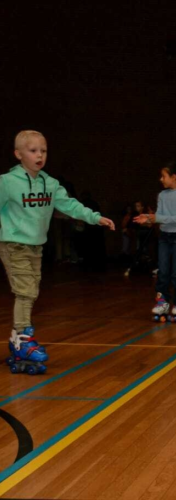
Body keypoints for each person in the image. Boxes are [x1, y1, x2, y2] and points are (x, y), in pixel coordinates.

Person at [0, 130, 115, 374]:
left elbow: (69, 204)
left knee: (32, 290)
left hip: (36, 245)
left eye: (43, 150)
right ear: (18, 154)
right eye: (33, 151)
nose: (39, 155)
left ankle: (16, 337)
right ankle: (22, 335)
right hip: (13, 244)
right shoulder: (7, 183)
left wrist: (95, 218)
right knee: (25, 290)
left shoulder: (49, 183)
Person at [134, 161, 176, 322]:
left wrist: (156, 218)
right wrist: (147, 220)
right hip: (164, 237)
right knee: (163, 271)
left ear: (174, 177)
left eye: (164, 176)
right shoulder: (162, 195)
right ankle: (163, 302)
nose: (161, 179)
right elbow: (159, 217)